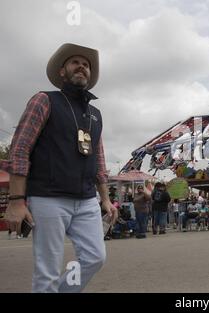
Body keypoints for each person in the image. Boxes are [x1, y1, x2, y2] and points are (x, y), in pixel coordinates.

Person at [1, 43, 118, 293]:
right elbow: (20, 149)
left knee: (95, 257)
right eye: (75, 62)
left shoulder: (95, 113)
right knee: (48, 272)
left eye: (86, 65)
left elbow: (98, 159)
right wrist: (16, 200)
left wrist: (106, 199)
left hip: (86, 199)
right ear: (62, 71)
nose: (82, 67)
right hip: (48, 197)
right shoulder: (44, 100)